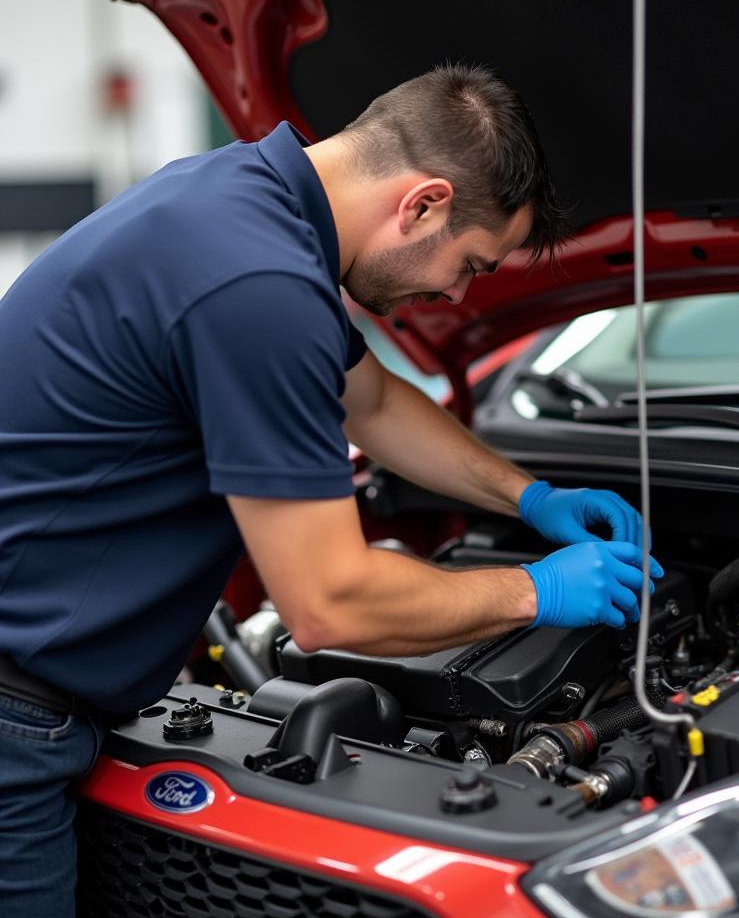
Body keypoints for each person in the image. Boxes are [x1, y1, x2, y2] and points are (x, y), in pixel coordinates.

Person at [0, 63, 661, 914]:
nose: (454, 295)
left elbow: (376, 401)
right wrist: (537, 591)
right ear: (421, 203)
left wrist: (530, 500)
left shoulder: (239, 198)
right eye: (471, 264)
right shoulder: (259, 286)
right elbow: (327, 608)